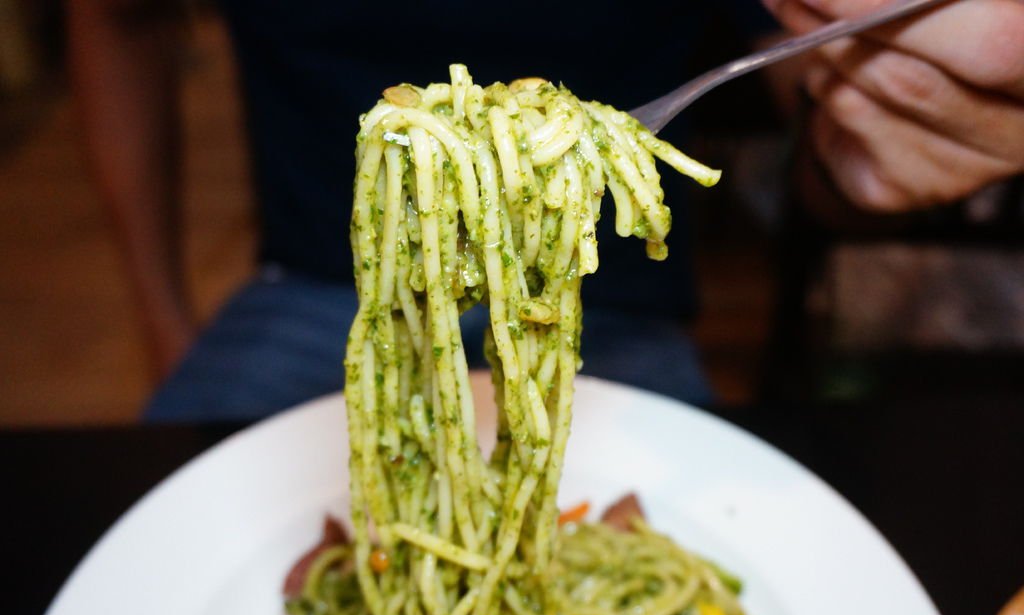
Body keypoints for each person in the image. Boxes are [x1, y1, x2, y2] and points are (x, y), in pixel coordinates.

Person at [67, 0, 1024, 422]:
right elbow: (114, 20)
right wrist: (160, 315)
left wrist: (882, 142)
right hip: (316, 287)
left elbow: (810, 93)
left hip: (609, 304)